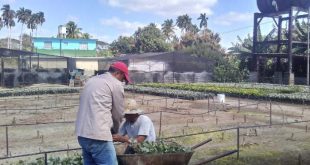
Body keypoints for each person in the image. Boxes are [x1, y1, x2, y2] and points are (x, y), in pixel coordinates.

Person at [75, 61, 130, 165]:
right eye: (123, 78)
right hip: (98, 136)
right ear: (118, 73)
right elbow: (118, 114)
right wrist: (115, 132)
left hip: (82, 134)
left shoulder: (92, 80)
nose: (122, 81)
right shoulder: (115, 84)